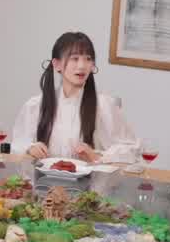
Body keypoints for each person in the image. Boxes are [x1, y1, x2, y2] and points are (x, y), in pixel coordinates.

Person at [12, 31, 137, 164]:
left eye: (88, 59)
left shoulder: (103, 105)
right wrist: (30, 148)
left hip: (90, 177)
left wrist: (97, 156)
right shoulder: (36, 105)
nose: (82, 66)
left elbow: (131, 149)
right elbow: (17, 145)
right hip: (43, 177)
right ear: (57, 64)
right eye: (75, 58)